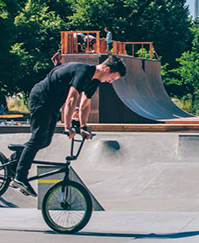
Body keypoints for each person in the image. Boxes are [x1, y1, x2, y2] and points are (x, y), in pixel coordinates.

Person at [11, 55, 127, 197]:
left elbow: (85, 105)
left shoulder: (94, 81)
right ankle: (20, 177)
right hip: (41, 98)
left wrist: (83, 126)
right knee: (38, 138)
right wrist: (67, 126)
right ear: (107, 69)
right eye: (112, 78)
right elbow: (71, 100)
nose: (110, 82)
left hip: (52, 104)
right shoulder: (83, 72)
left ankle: (14, 160)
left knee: (45, 141)